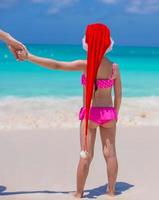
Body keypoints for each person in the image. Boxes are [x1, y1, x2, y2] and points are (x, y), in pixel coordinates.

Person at [17, 23, 122, 198]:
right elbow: (118, 95)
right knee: (110, 154)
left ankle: (79, 193)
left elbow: (57, 65)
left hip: (90, 115)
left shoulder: (86, 65)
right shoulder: (114, 67)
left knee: (85, 155)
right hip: (109, 114)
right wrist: (115, 114)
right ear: (108, 43)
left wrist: (29, 57)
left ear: (87, 42)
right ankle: (111, 191)